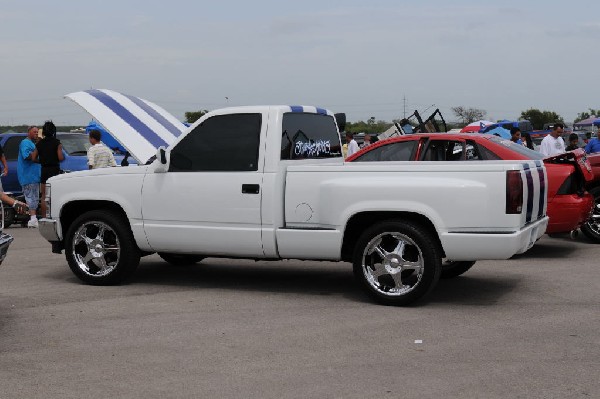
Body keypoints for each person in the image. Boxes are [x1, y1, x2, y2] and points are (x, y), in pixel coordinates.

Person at [32, 121, 64, 217]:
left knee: (43, 196)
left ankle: (43, 217)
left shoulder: (39, 144)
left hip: (44, 170)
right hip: (54, 170)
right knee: (55, 194)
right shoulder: (57, 143)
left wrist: (41, 161)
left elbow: (33, 158)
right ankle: (54, 215)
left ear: (44, 132)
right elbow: (60, 158)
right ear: (53, 131)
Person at [17, 126, 41, 227]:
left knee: (35, 197)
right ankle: (33, 219)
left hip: (34, 176)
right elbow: (26, 156)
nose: (36, 134)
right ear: (29, 133)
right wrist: (37, 149)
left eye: (37, 132)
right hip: (28, 175)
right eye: (34, 132)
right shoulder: (25, 143)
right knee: (30, 196)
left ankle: (33, 218)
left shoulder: (32, 143)